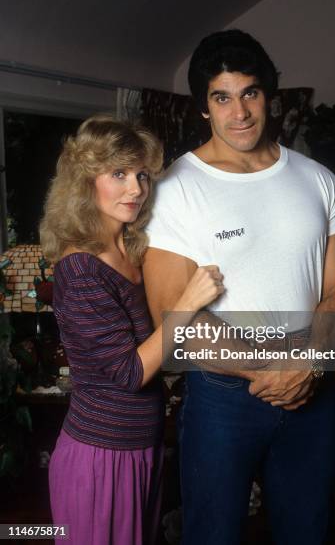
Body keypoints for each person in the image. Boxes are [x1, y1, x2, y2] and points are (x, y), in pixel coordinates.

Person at [142, 30, 335, 545]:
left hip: (314, 386)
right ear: (203, 108)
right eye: (222, 97)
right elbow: (174, 320)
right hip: (223, 397)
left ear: (270, 97)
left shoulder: (319, 180)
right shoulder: (175, 190)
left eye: (250, 93)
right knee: (213, 535)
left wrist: (310, 362)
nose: (239, 112)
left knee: (307, 533)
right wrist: (275, 369)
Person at [39, 115, 224, 545]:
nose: (136, 188)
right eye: (118, 173)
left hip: (140, 446)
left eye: (141, 174)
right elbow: (129, 373)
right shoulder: (81, 267)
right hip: (100, 456)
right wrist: (187, 303)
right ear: (85, 182)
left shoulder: (132, 248)